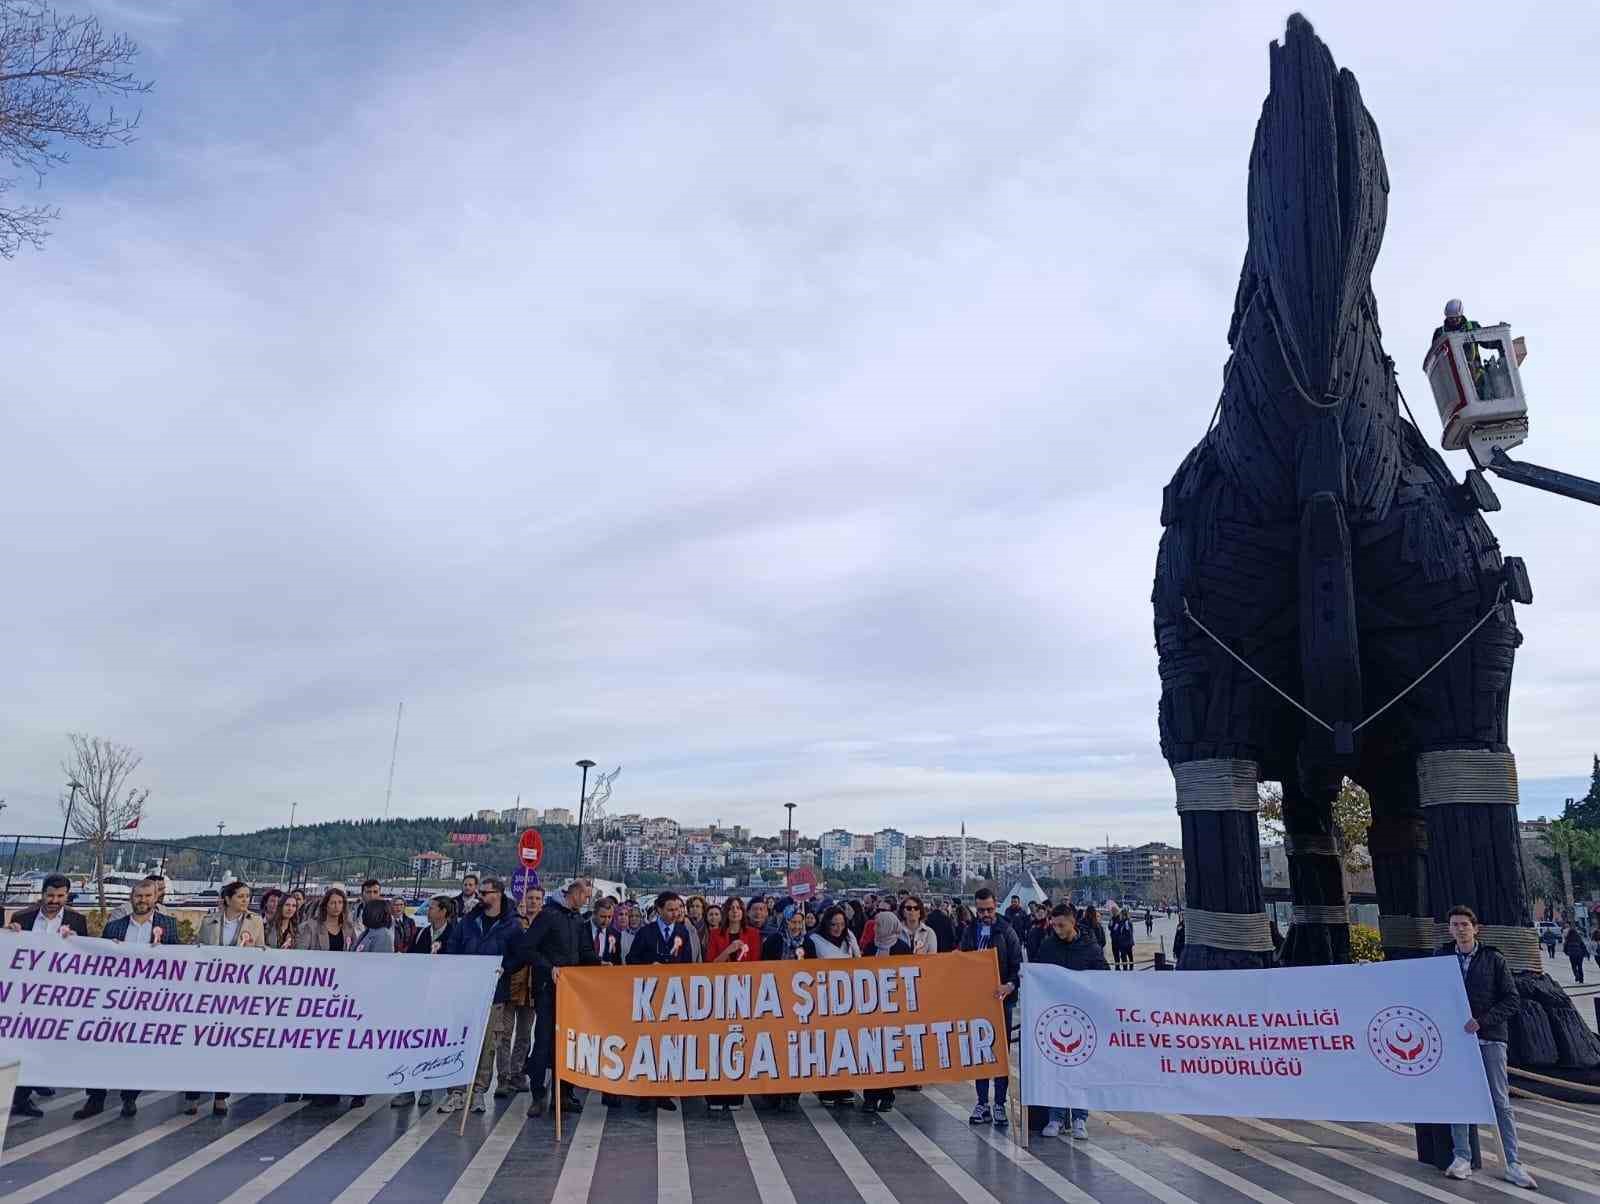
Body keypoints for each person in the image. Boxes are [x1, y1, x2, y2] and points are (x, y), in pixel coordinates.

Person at [66, 880, 182, 1120]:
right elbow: (101, 958)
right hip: (115, 999)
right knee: (103, 1048)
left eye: (147, 896)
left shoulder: (168, 926)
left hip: (150, 1000)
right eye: (138, 896)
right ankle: (95, 1097)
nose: (143, 900)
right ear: (131, 898)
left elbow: (177, 961)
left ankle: (129, 1097)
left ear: (155, 897)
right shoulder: (115, 926)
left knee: (137, 1051)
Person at [1439, 906, 1536, 1189]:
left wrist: (1482, 1022)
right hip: (1456, 1040)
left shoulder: (1493, 959)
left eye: (1464, 924)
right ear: (1449, 929)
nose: (1460, 929)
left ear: (1475, 928)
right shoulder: (1442, 957)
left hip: (1490, 1037)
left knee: (1498, 1100)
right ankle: (1462, 1156)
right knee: (1461, 1099)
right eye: (1455, 924)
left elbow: (1511, 999)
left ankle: (1512, 1161)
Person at [510, 876, 600, 1118]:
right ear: (574, 893)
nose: (587, 900)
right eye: (585, 896)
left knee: (570, 1043)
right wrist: (548, 967)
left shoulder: (579, 919)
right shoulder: (549, 915)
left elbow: (585, 951)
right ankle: (539, 1094)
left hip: (572, 992)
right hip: (548, 989)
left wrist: (602, 966)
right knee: (544, 1041)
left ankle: (564, 1094)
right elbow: (527, 948)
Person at [438, 877, 520, 1115]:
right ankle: (456, 1091)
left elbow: (519, 955)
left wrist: (507, 967)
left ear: (499, 894)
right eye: (480, 893)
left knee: (487, 1045)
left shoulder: (511, 924)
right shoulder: (469, 921)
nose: (481, 896)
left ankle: (478, 1091)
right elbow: (453, 946)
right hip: (465, 991)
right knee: (459, 1040)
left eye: (486, 893)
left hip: (494, 992)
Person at [189, 880, 263, 1116]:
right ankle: (192, 1093)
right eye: (241, 896)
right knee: (200, 1044)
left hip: (237, 993)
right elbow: (198, 950)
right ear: (228, 899)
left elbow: (261, 952)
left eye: (248, 896)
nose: (245, 901)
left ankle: (221, 1095)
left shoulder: (255, 922)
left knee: (226, 1045)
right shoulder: (209, 922)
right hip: (210, 991)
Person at [1034, 904, 1107, 1138]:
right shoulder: (1047, 947)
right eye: (1053, 925)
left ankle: (1079, 1118)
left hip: (1082, 1018)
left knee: (1079, 1070)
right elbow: (1037, 972)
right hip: (1055, 1016)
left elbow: (1104, 976)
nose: (1056, 930)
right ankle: (1055, 1118)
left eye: (1061, 925)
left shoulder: (1090, 948)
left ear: (1072, 922)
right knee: (1056, 1068)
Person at [626, 891, 695, 1113]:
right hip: (649, 997)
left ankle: (664, 1091)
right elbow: (631, 959)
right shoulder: (646, 932)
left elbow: (688, 963)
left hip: (673, 998)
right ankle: (645, 1094)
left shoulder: (683, 931)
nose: (675, 914)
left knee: (669, 1045)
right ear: (659, 910)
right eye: (670, 910)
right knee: (648, 1045)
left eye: (677, 909)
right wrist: (649, 966)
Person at [961, 888, 1022, 1129]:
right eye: (981, 910)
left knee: (1000, 1054)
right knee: (980, 1053)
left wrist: (1009, 986)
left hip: (1001, 1001)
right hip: (977, 1001)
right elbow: (962, 960)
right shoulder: (970, 930)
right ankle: (981, 1103)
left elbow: (1018, 965)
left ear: (995, 906)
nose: (985, 914)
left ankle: (999, 1102)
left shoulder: (1007, 931)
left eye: (989, 909)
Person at [391, 896, 458, 1110]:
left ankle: (427, 1087)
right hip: (420, 995)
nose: (428, 911)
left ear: (443, 912)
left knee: (433, 1042)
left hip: (443, 996)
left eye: (432, 908)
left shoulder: (454, 935)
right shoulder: (422, 933)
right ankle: (407, 1089)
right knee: (413, 1040)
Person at [495, 889, 543, 1098]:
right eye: (530, 898)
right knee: (504, 1034)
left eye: (537, 899)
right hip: (511, 984)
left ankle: (517, 1072)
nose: (533, 902)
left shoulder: (544, 925)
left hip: (532, 987)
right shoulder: (513, 924)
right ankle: (503, 1077)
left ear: (542, 902)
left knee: (524, 1035)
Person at [862, 912, 912, 1112]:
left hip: (893, 1010)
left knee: (889, 1053)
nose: (876, 928)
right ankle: (870, 1097)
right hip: (872, 1010)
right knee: (872, 1053)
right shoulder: (871, 947)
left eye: (880, 925)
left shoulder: (902, 948)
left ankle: (887, 1094)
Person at [6, 873, 88, 937]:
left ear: (67, 895)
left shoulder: (78, 920)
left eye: (60, 896)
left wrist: (76, 940)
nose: (54, 900)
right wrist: (7, 934)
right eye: (50, 895)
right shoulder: (20, 917)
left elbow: (84, 954)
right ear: (42, 893)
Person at [706, 896, 761, 964]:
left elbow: (755, 963)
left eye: (738, 908)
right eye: (731, 908)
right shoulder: (714, 934)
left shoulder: (753, 933)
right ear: (726, 912)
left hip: (745, 973)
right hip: (721, 973)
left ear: (742, 912)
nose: (735, 911)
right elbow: (710, 964)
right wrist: (728, 951)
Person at [107, 873, 173, 922]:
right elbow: (110, 935)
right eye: (160, 890)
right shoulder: (123, 911)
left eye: (164, 889)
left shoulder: (163, 910)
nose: (164, 893)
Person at [685, 894, 708, 962]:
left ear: (703, 909)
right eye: (692, 906)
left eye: (697, 906)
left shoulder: (708, 925)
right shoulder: (684, 925)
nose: (694, 909)